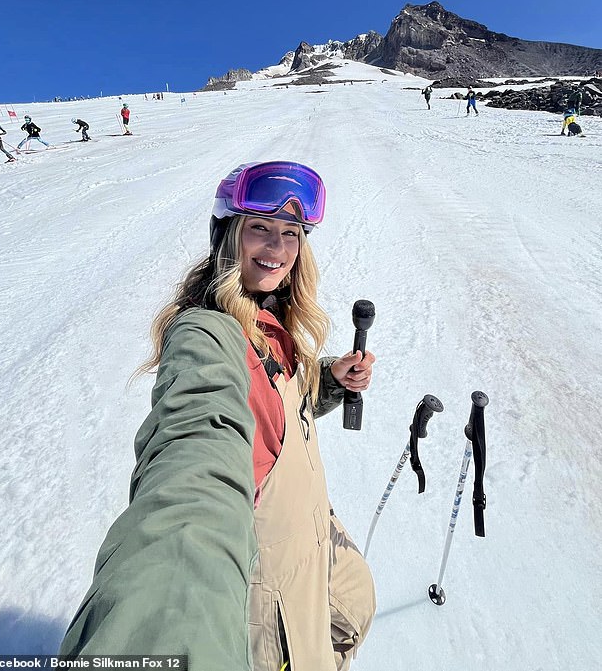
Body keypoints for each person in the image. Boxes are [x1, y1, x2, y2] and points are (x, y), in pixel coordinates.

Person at [60, 161, 377, 670]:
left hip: (310, 556)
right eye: (259, 229)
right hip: (266, 592)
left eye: (290, 234)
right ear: (228, 234)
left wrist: (329, 380)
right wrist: (165, 616)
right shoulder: (208, 334)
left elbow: (274, 412)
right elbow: (197, 452)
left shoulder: (271, 323)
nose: (276, 249)